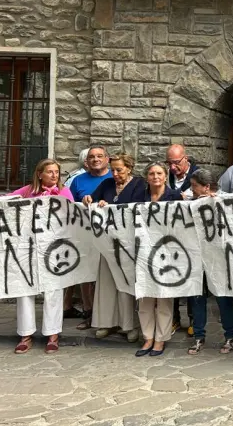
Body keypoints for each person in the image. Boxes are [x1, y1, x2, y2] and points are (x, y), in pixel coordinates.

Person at [9, 158, 74, 355]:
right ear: (40, 174)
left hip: (54, 248)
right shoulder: (28, 191)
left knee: (53, 289)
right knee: (25, 288)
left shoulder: (63, 192)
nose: (54, 175)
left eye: (57, 172)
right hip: (28, 247)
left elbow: (73, 215)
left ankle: (52, 334)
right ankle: (25, 334)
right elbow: (6, 200)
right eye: (50, 172)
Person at [82, 153, 145, 341]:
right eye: (113, 170)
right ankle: (107, 323)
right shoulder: (107, 184)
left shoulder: (139, 184)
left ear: (129, 168)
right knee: (107, 283)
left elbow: (138, 207)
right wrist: (90, 200)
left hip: (127, 244)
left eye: (119, 170)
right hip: (107, 242)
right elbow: (92, 200)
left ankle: (129, 325)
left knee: (126, 283)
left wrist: (110, 206)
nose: (115, 174)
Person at [185, 169, 233, 357]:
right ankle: (199, 336)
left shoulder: (221, 200)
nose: (191, 190)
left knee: (223, 297)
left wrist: (217, 203)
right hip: (197, 257)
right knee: (197, 297)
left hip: (218, 258)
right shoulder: (190, 203)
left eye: (194, 186)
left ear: (206, 187)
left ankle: (230, 336)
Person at [135, 163, 183, 358]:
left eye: (159, 173)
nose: (155, 177)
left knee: (164, 297)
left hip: (167, 252)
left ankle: (160, 338)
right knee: (145, 296)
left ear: (165, 176)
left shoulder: (174, 196)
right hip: (143, 252)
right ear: (147, 177)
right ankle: (148, 337)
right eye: (152, 173)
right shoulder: (139, 196)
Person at [66, 146, 110, 321]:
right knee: (86, 272)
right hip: (84, 234)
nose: (95, 159)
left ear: (107, 159)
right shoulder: (78, 181)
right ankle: (89, 311)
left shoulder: (114, 177)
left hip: (108, 235)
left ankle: (106, 315)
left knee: (106, 274)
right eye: (92, 157)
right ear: (86, 161)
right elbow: (70, 207)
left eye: (99, 156)